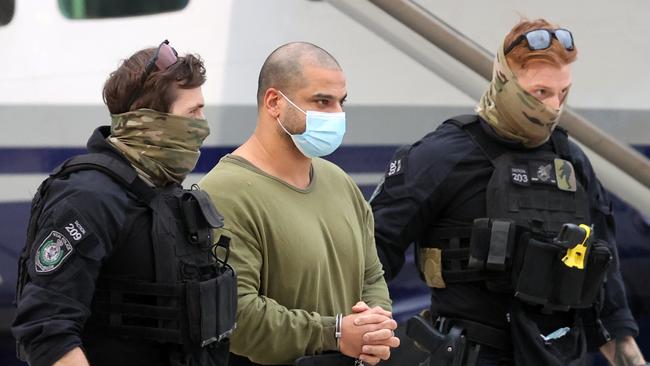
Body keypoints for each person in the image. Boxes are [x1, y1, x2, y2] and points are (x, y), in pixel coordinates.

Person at [370, 19, 647, 365]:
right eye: (540, 93)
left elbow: (604, 276)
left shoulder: (570, 161)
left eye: (563, 93)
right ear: (503, 80)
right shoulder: (439, 156)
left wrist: (628, 355)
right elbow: (371, 252)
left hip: (557, 353)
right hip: (471, 354)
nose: (554, 107)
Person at [12, 40, 236, 366]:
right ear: (151, 121)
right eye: (193, 113)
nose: (203, 126)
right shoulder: (90, 198)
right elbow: (45, 329)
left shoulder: (161, 190)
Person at [199, 42, 400, 366]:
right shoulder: (225, 193)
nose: (337, 114)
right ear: (275, 102)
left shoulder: (339, 182)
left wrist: (374, 326)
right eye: (322, 101)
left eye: (340, 102)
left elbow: (371, 277)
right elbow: (236, 315)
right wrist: (333, 334)